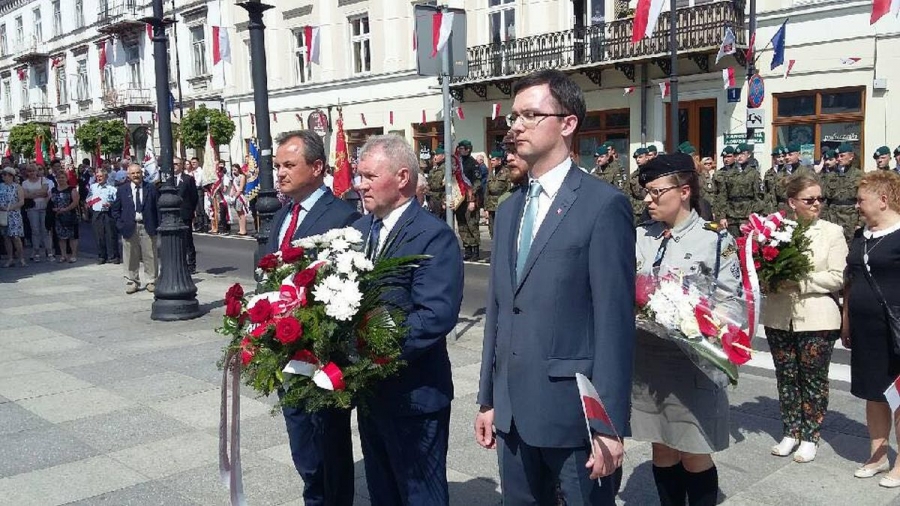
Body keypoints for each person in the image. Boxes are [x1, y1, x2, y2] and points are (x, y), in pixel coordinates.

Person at [476, 69, 634, 505]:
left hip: (572, 416)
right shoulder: (509, 210)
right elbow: (499, 311)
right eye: (514, 116)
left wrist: (608, 425)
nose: (516, 126)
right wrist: (488, 399)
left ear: (567, 123)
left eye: (530, 115)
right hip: (512, 413)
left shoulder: (603, 205)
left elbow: (614, 324)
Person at [350, 134, 462, 506]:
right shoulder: (359, 231)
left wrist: (368, 346)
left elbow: (434, 316)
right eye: (359, 175)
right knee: (382, 492)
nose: (360, 184)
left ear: (401, 178)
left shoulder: (433, 236)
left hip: (415, 396)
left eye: (369, 176)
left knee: (420, 496)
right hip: (371, 394)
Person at [634, 153, 741, 506]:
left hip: (695, 361)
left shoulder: (715, 240)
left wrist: (698, 321)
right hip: (648, 361)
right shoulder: (639, 236)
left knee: (695, 451)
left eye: (656, 192)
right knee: (662, 447)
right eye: (646, 192)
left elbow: (731, 301)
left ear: (684, 191)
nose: (648, 200)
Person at [268, 130, 360, 506]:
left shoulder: (342, 217)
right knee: (303, 447)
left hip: (322, 356)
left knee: (328, 448)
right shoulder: (282, 215)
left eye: (289, 165)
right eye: (277, 166)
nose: (280, 173)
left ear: (317, 167)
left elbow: (348, 289)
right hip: (284, 351)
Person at [761, 174, 847, 465]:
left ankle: (810, 435)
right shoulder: (775, 231)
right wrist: (770, 277)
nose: (816, 204)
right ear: (792, 202)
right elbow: (761, 268)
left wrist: (800, 280)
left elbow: (838, 277)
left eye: (820, 199)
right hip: (779, 315)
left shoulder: (832, 232)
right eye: (809, 200)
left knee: (813, 380)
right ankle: (790, 431)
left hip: (817, 317)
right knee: (786, 377)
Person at [842, 170, 900, 487]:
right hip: (865, 330)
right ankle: (877, 456)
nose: (856, 205)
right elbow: (851, 280)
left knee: (898, 396)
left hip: (895, 331)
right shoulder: (861, 235)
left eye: (861, 200)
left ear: (883, 199)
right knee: (873, 394)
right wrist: (846, 319)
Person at [112, 163, 159, 294]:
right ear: (128, 175)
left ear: (142, 173)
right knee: (130, 256)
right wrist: (120, 225)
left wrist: (157, 225)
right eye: (133, 173)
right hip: (129, 227)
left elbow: (157, 208)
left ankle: (151, 281)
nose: (136, 175)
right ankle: (132, 282)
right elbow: (115, 210)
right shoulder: (122, 189)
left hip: (147, 226)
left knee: (150, 255)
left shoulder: (151, 188)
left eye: (138, 173)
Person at [713, 143, 764, 238]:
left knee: (748, 242)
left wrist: (756, 214)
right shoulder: (728, 174)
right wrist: (722, 216)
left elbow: (758, 196)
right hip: (731, 214)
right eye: (737, 154)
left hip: (747, 213)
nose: (739, 157)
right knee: (732, 241)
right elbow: (723, 196)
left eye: (742, 154)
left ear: (748, 155)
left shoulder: (754, 173)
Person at [822, 143, 863, 243]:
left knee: (850, 244)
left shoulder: (859, 175)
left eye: (842, 156)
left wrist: (861, 223)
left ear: (851, 156)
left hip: (850, 217)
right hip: (832, 216)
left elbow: (863, 201)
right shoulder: (830, 175)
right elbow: (825, 200)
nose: (839, 159)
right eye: (837, 156)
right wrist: (823, 219)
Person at [86, 167, 120, 265]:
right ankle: (102, 256)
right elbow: (88, 199)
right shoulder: (93, 187)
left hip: (108, 213)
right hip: (97, 213)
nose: (99, 178)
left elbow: (117, 202)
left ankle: (114, 256)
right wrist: (89, 206)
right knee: (99, 236)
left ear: (106, 177)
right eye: (97, 176)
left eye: (101, 176)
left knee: (111, 235)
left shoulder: (112, 189)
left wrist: (111, 204)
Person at [456, 140, 483, 261]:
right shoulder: (458, 163)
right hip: (460, 199)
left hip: (470, 198)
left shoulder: (473, 164)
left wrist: (472, 200)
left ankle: (475, 251)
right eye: (459, 148)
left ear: (468, 149)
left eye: (462, 148)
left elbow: (477, 183)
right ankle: (467, 249)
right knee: (462, 225)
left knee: (472, 225)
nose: (460, 151)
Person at [21, 164, 52, 262]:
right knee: (35, 230)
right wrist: (39, 193)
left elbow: (45, 192)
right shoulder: (25, 183)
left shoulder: (43, 180)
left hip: (44, 207)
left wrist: (32, 193)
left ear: (36, 171)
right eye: (29, 171)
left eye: (33, 171)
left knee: (45, 229)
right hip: (32, 208)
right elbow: (25, 195)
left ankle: (49, 251)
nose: (31, 173)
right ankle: (36, 251)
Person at [173, 158, 198, 274]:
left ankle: (191, 264)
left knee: (187, 240)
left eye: (177, 164)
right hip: (172, 215)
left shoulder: (188, 179)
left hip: (185, 213)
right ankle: (178, 262)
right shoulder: (167, 179)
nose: (174, 166)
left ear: (182, 165)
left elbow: (194, 197)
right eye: (173, 164)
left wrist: (190, 211)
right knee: (174, 240)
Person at [50, 166, 80, 264]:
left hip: (70, 215)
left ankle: (73, 255)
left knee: (72, 236)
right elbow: (51, 202)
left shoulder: (72, 189)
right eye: (58, 178)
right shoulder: (53, 190)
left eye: (62, 177)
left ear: (66, 178)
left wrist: (65, 209)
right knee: (61, 237)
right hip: (58, 216)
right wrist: (54, 209)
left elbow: (75, 202)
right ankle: (63, 255)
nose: (60, 179)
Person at [0, 166, 25, 267]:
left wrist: (11, 208)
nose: (3, 176)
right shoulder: (1, 186)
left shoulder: (17, 187)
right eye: (2, 174)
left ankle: (21, 257)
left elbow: (21, 201)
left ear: (11, 176)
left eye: (5, 174)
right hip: (3, 214)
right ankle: (10, 258)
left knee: (15, 237)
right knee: (6, 237)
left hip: (14, 214)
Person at [484, 150, 511, 239]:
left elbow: (509, 190)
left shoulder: (507, 172)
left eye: (493, 160)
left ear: (499, 161)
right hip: (491, 207)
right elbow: (487, 191)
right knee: (492, 230)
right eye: (491, 160)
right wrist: (486, 208)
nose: (491, 162)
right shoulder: (491, 173)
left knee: (502, 231)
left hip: (502, 205)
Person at [227, 163, 249, 236]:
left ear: (239, 169)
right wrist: (231, 194)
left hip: (240, 196)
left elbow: (241, 188)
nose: (233, 171)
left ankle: (243, 230)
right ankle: (240, 229)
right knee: (238, 213)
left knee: (241, 213)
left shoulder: (242, 176)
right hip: (236, 197)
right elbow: (233, 187)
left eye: (235, 170)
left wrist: (235, 196)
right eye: (232, 170)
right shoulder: (235, 177)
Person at [426, 147, 446, 217]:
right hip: (432, 197)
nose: (434, 157)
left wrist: (444, 200)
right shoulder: (434, 168)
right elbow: (429, 183)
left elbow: (447, 186)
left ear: (443, 156)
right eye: (433, 155)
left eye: (436, 155)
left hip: (440, 198)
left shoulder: (446, 168)